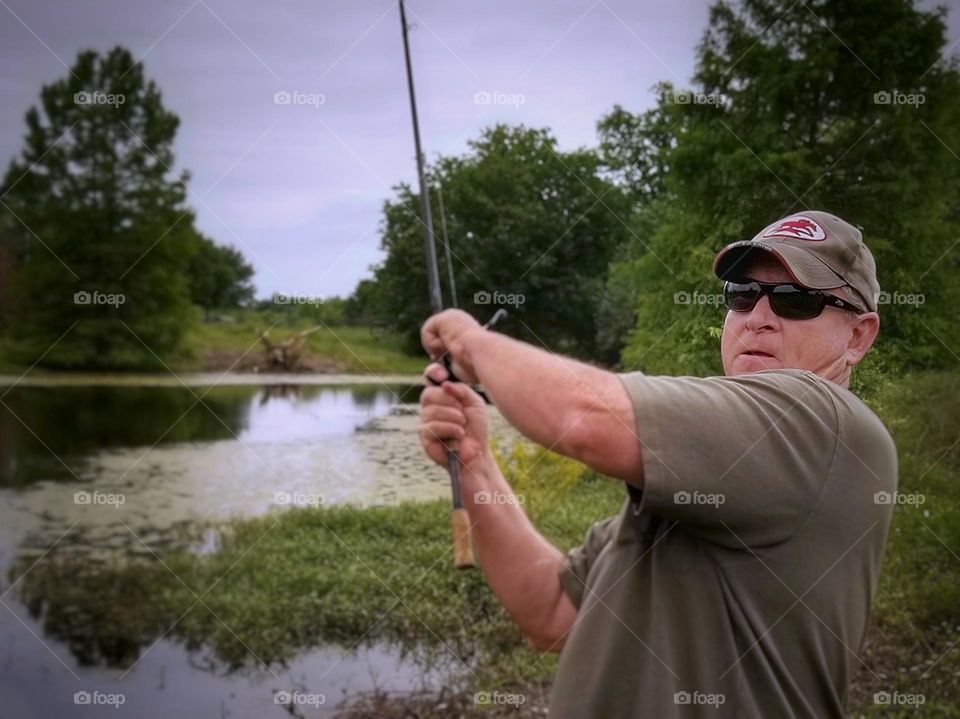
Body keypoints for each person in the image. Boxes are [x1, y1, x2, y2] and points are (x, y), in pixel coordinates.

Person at [418, 210, 897, 717]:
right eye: (742, 293)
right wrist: (475, 464)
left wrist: (471, 344)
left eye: (796, 300)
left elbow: (585, 417)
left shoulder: (824, 423)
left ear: (858, 336)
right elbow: (552, 614)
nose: (758, 315)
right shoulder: (715, 466)